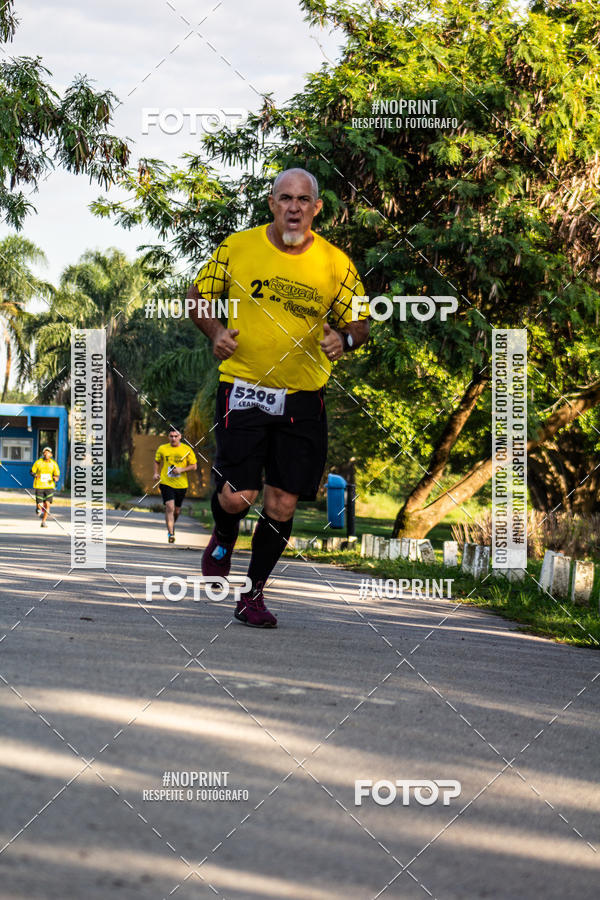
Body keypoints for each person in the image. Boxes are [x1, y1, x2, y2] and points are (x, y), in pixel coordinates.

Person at [187, 167, 369, 628]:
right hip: (243, 387)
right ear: (271, 203)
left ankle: (252, 595)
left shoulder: (337, 264)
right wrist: (215, 332)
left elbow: (360, 324)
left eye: (303, 200)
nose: (294, 207)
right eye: (285, 198)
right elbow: (197, 297)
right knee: (238, 496)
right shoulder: (237, 247)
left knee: (282, 504)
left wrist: (344, 340)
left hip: (303, 397)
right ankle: (223, 534)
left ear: (316, 208)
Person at [153, 427, 198, 543]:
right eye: (171, 436)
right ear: (168, 437)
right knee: (170, 507)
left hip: (181, 485)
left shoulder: (187, 449)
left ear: (180, 437)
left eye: (176, 436)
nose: (173, 438)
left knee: (176, 511)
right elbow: (157, 461)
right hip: (166, 483)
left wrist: (181, 470)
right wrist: (156, 473)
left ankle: (172, 524)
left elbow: (194, 466)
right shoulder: (162, 448)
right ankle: (171, 533)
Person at [31, 446, 60, 528]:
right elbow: (32, 472)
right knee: (40, 504)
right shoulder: (38, 462)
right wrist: (36, 475)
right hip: (39, 486)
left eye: (48, 452)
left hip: (49, 487)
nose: (47, 454)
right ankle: (38, 509)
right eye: (45, 452)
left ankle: (43, 522)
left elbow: (57, 475)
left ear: (51, 454)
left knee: (47, 504)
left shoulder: (53, 464)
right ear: (43, 454)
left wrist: (56, 478)